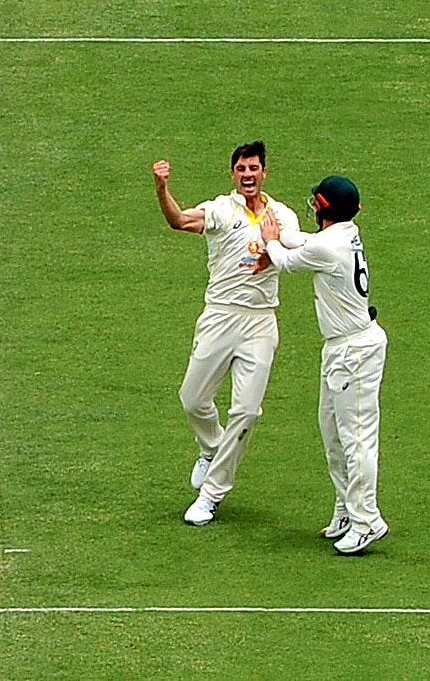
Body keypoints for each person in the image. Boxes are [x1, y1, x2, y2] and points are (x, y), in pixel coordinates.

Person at [153, 143, 302, 526]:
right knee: (192, 399)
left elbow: (297, 253)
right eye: (241, 169)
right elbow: (180, 221)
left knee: (247, 411)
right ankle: (212, 450)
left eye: (253, 167)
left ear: (264, 172)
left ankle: (211, 494)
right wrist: (161, 188)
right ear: (233, 174)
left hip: (260, 321)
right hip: (220, 316)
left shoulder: (282, 214)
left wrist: (272, 248)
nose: (247, 174)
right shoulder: (221, 208)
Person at [258, 176, 389, 555]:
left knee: (357, 438)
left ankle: (367, 521)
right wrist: (283, 231)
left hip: (354, 352)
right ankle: (347, 511)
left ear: (322, 207)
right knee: (332, 432)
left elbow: (286, 260)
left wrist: (270, 239)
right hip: (341, 349)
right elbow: (305, 242)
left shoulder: (330, 247)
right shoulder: (344, 234)